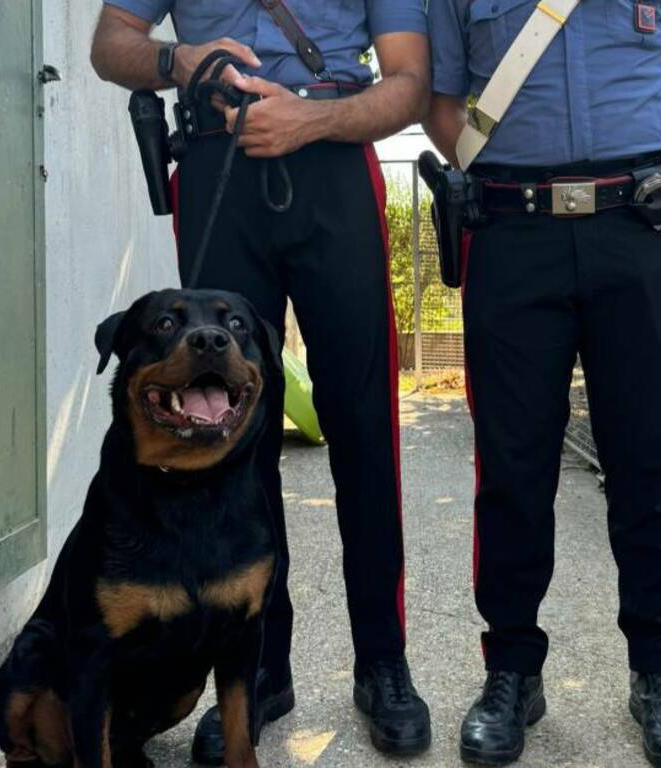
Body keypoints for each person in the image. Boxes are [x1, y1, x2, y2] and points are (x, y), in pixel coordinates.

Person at [90, 1, 432, 761]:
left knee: (364, 428)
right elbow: (110, 44)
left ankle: (383, 663)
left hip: (335, 168)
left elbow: (409, 83)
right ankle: (260, 673)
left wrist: (312, 122)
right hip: (217, 167)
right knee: (220, 432)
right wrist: (180, 61)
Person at [424, 1, 661, 766]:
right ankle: (511, 673)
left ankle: (660, 673)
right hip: (511, 232)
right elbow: (441, 103)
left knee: (650, 471)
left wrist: (641, 159)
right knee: (512, 471)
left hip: (638, 231)